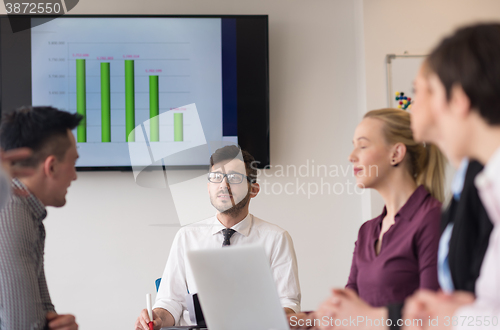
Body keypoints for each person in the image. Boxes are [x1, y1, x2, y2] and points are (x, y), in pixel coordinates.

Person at [290, 108, 445, 329]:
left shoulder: (431, 218)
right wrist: (303, 320)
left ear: (396, 154)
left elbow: (433, 315)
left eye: (363, 146)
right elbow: (349, 308)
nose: (351, 156)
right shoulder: (367, 231)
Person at [135, 145, 301, 329]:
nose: (223, 184)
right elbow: (170, 302)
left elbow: (289, 305)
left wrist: (265, 316)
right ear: (208, 188)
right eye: (216, 177)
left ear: (253, 189)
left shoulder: (276, 238)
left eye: (234, 177)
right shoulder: (187, 237)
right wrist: (156, 317)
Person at [401, 23, 500, 330]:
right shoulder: (489, 184)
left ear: (457, 100)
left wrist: (455, 317)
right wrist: (471, 307)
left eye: (429, 92)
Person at [0, 106, 82, 330]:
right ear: (52, 166)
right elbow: (24, 325)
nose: (74, 175)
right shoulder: (12, 215)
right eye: (73, 163)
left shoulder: (27, 213)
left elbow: (42, 314)